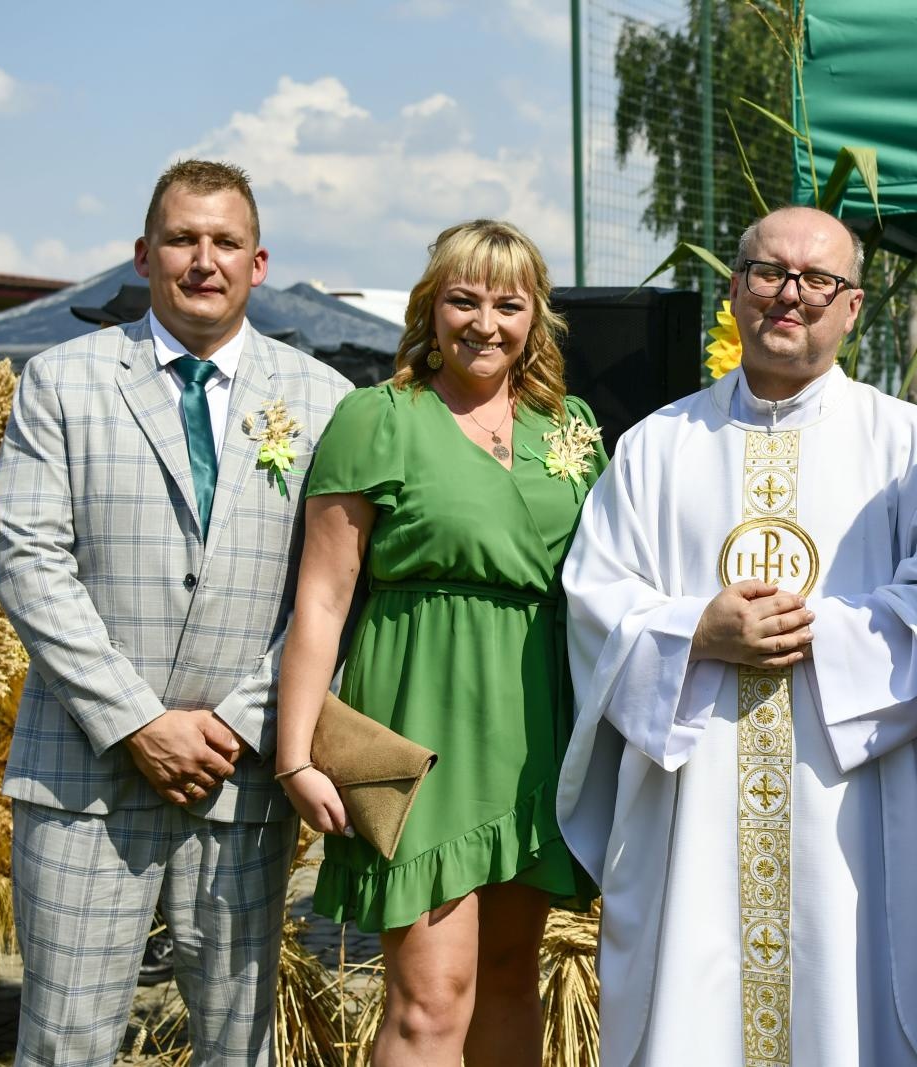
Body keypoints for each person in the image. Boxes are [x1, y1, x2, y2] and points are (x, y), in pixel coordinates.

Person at [557, 205, 917, 1066]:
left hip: (857, 806)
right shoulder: (655, 446)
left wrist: (820, 631)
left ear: (854, 305)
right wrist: (698, 631)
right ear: (733, 288)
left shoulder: (912, 445)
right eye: (768, 272)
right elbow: (595, 597)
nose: (791, 295)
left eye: (819, 279)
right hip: (700, 798)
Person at [0, 160, 353, 1065]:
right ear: (144, 254)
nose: (204, 259)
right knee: (64, 1045)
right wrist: (139, 722)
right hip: (84, 781)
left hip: (241, 778)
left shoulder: (323, 400)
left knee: (241, 1046)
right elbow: (30, 563)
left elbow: (337, 591)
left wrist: (239, 724)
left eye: (225, 241)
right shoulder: (62, 382)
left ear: (258, 262)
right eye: (184, 239)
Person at [275, 218, 603, 1067]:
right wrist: (297, 753)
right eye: (464, 299)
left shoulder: (569, 428)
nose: (485, 323)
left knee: (507, 980)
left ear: (535, 319)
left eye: (508, 303)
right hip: (421, 726)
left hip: (537, 734)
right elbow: (321, 600)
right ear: (431, 307)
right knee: (429, 1001)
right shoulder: (376, 417)